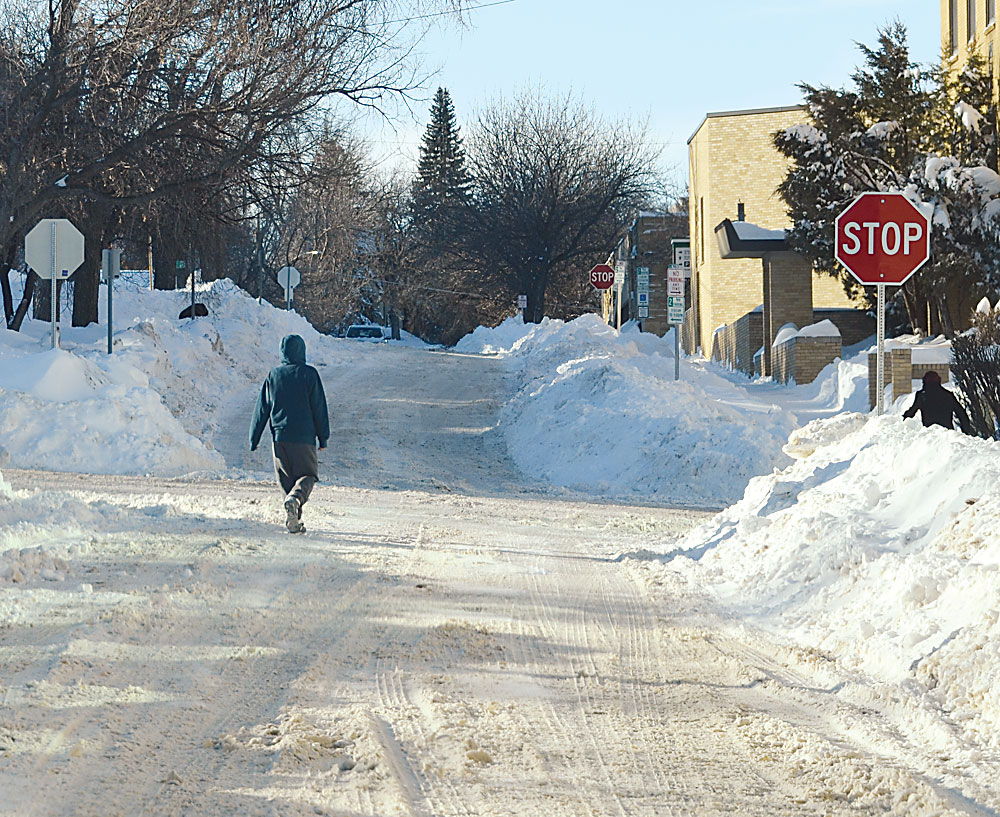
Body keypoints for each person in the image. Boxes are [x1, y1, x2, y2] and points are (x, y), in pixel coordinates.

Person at [250, 334, 330, 533]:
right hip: (304, 438)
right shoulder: (309, 374)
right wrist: (323, 436)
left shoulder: (274, 375)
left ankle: (293, 519)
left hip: (280, 439)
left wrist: (255, 437)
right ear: (302, 351)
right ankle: (294, 503)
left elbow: (262, 409)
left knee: (287, 482)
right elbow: (319, 407)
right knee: (307, 475)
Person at [902, 370, 973, 435]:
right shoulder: (947, 395)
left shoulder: (922, 396)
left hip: (930, 433)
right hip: (947, 432)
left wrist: (904, 419)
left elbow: (912, 412)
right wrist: (966, 431)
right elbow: (960, 412)